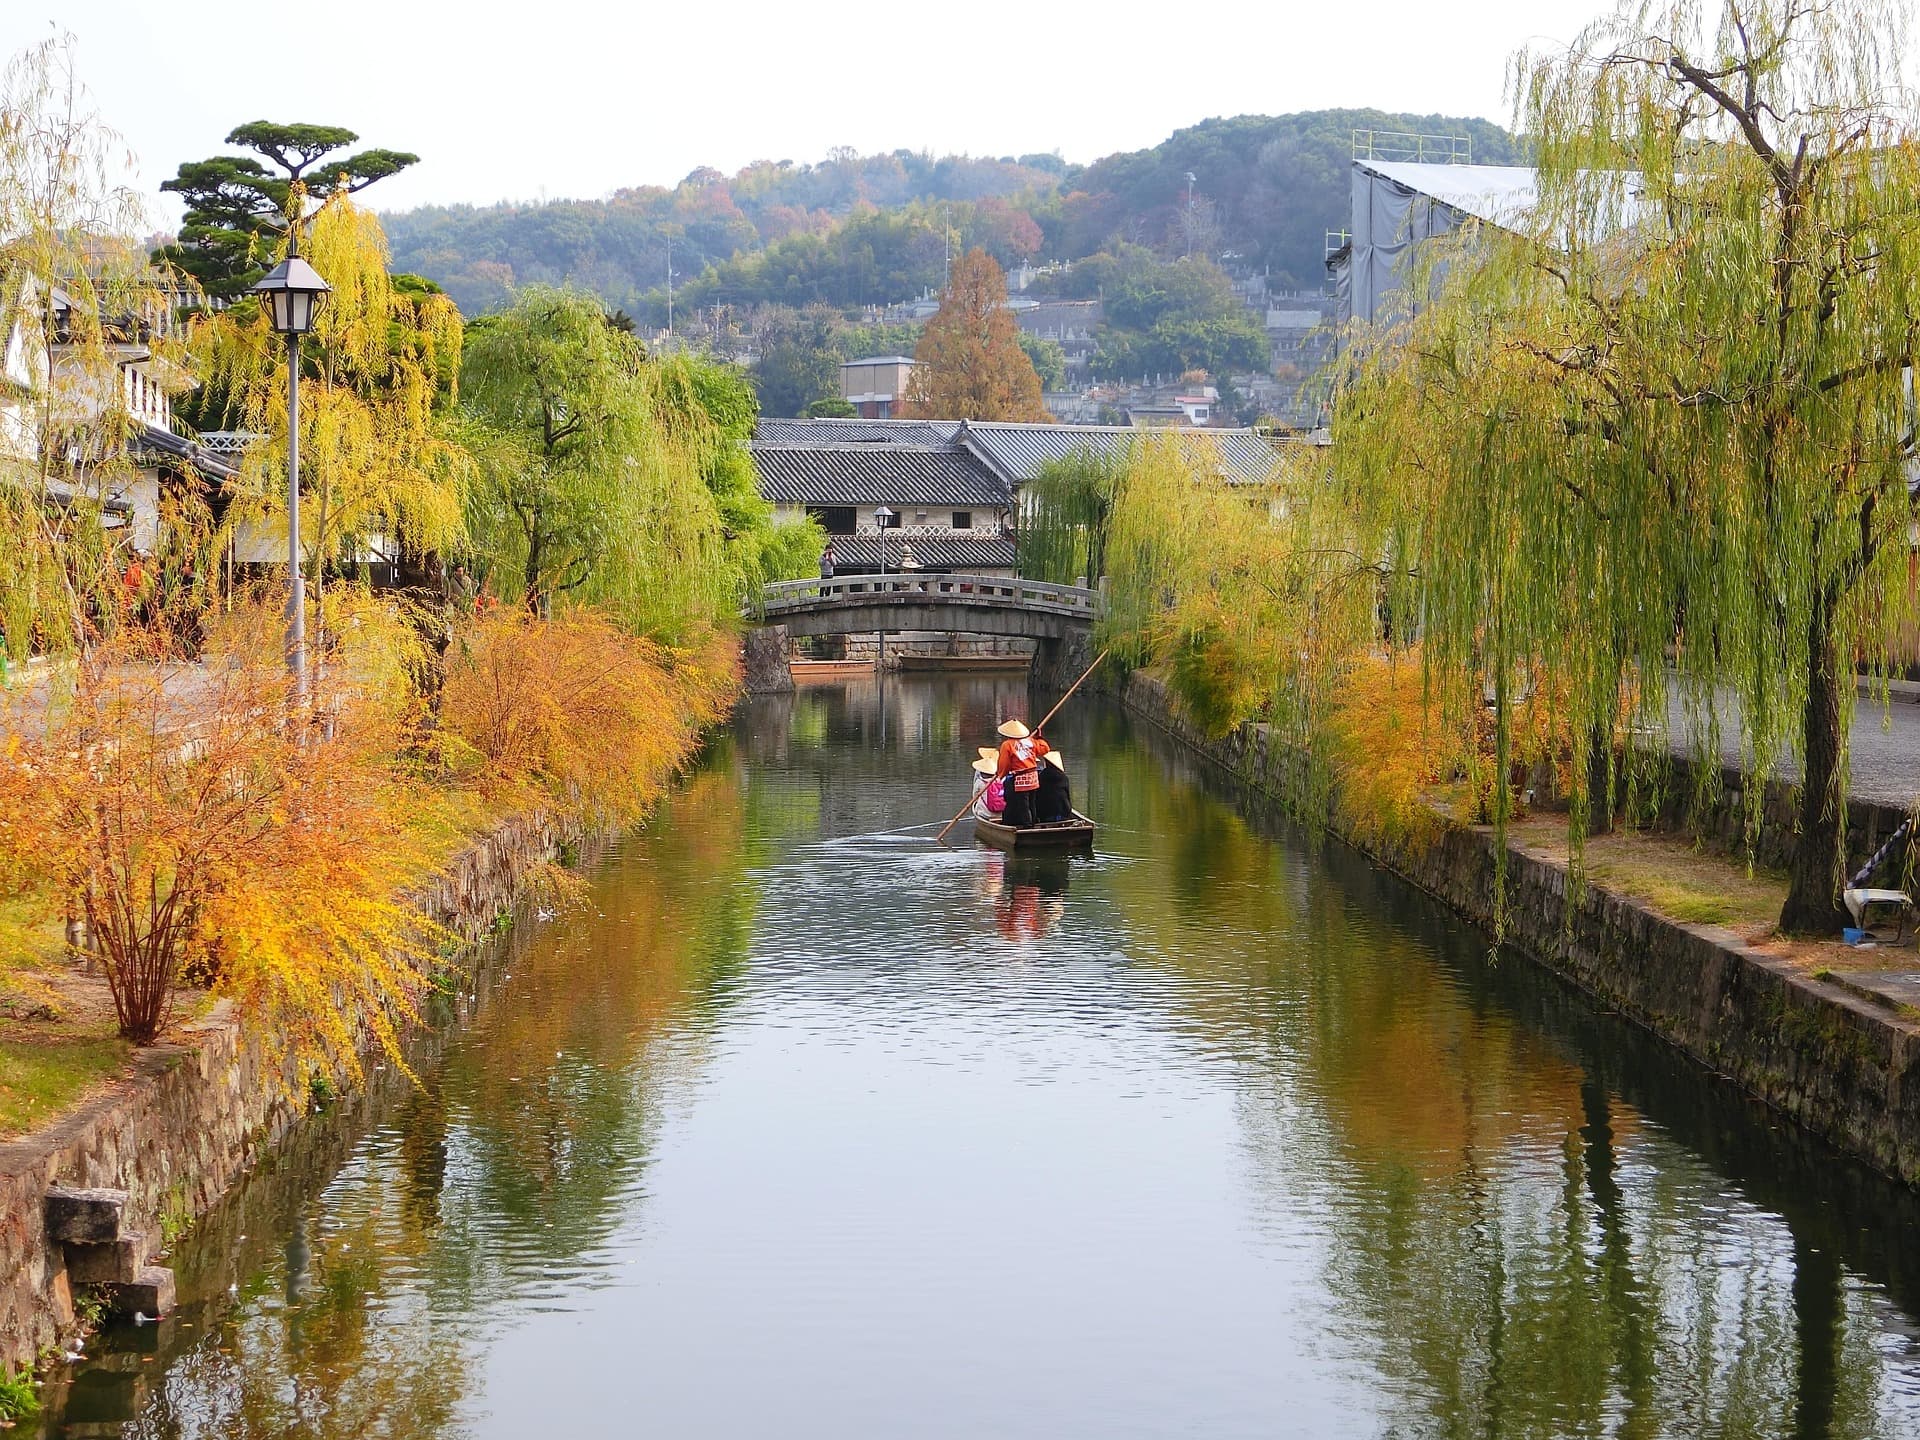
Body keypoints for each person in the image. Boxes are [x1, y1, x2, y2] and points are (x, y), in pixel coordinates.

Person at [993, 718, 1051, 828]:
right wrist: (1038, 738)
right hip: (1033, 777)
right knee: (1031, 802)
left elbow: (1004, 764)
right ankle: (1033, 822)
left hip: (1021, 779)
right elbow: (1045, 748)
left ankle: (1028, 826)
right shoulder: (1030, 741)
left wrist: (1000, 774)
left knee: (1023, 804)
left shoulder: (1007, 745)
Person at [1036, 749, 1073, 823]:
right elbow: (1067, 796)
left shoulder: (1041, 776)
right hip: (1063, 813)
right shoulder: (1064, 777)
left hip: (1045, 815)